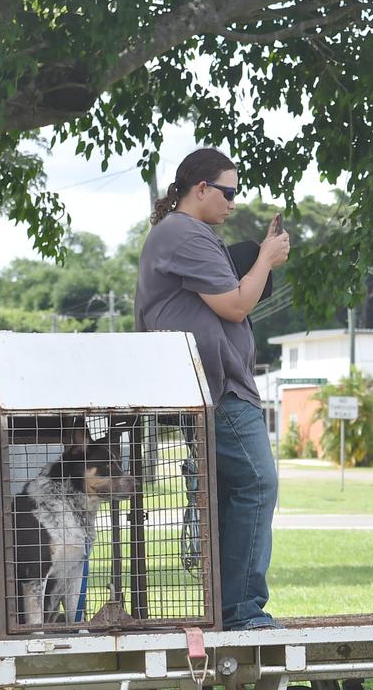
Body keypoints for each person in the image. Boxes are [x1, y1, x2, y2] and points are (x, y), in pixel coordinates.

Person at [134, 148, 290, 630]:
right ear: (200, 188)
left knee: (228, 495)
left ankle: (227, 610)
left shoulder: (183, 234)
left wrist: (254, 264)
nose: (234, 203)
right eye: (228, 192)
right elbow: (237, 305)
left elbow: (228, 301)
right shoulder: (184, 233)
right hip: (216, 388)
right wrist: (264, 258)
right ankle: (242, 611)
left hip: (204, 386)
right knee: (258, 483)